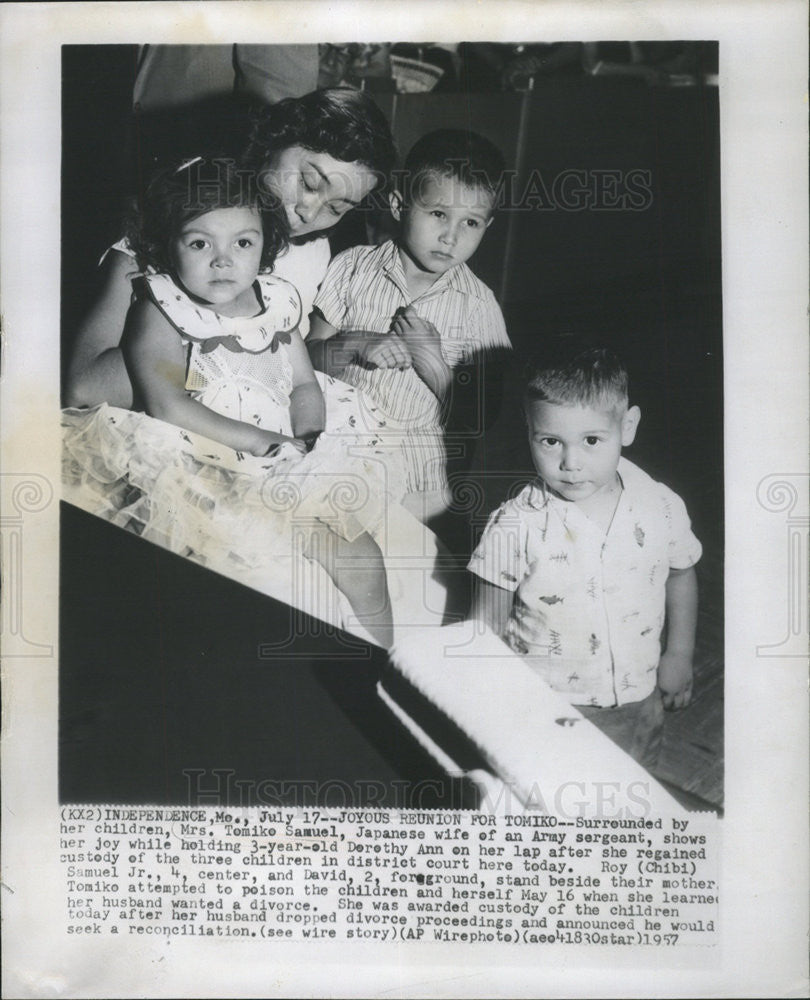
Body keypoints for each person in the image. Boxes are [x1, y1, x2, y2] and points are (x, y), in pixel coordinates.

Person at [63, 157, 395, 648]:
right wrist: (265, 444)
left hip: (283, 454)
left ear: (266, 244)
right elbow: (168, 404)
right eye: (200, 243)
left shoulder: (277, 302)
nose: (223, 260)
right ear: (166, 247)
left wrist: (308, 439)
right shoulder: (160, 309)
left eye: (243, 242)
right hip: (206, 462)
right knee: (248, 571)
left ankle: (388, 652)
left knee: (359, 553)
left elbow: (304, 384)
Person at [65, 88, 397, 410]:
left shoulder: (321, 258)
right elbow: (84, 388)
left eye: (337, 208)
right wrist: (234, 359)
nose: (309, 212)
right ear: (276, 140)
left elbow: (303, 380)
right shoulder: (180, 216)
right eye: (308, 183)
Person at [468, 344, 701, 770]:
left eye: (592, 440)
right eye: (551, 441)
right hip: (542, 707)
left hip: (636, 698)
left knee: (629, 796)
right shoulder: (515, 524)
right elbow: (485, 627)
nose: (570, 463)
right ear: (529, 431)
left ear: (627, 426)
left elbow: (681, 573)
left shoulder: (662, 506)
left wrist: (679, 654)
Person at [306, 129, 512, 521]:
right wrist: (354, 342)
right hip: (334, 450)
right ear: (400, 205)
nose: (450, 237)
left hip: (419, 490)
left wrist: (431, 361)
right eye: (438, 214)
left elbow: (485, 419)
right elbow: (306, 360)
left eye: (471, 223)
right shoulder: (352, 267)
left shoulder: (479, 307)